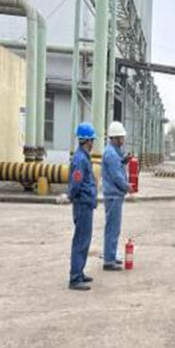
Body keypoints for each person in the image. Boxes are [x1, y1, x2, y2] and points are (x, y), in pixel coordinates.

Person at [68, 122, 98, 291]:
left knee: (84, 240)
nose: (93, 143)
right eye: (92, 140)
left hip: (86, 203)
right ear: (87, 140)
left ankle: (79, 272)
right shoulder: (80, 159)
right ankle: (75, 278)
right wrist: (72, 196)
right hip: (82, 204)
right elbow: (76, 182)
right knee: (81, 240)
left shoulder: (83, 157)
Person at [101, 121, 132, 271]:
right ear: (115, 138)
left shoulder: (113, 151)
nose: (123, 140)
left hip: (114, 195)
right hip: (113, 195)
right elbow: (117, 176)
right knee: (112, 228)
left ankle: (111, 255)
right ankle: (109, 260)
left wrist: (124, 160)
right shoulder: (111, 154)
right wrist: (127, 187)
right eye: (121, 137)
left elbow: (118, 163)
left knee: (114, 228)